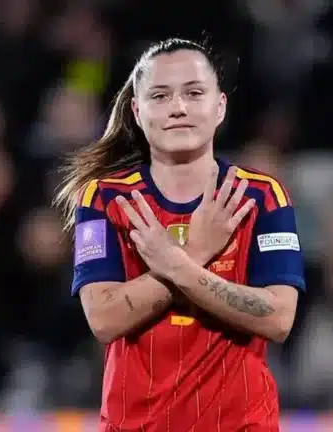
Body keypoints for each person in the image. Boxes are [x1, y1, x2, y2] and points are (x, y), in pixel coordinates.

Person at [55, 38, 305, 431]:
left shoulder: (260, 197)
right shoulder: (104, 198)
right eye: (160, 95)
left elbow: (278, 318)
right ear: (137, 111)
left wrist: (179, 263)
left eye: (193, 92)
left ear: (219, 106)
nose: (178, 108)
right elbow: (104, 319)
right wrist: (197, 250)